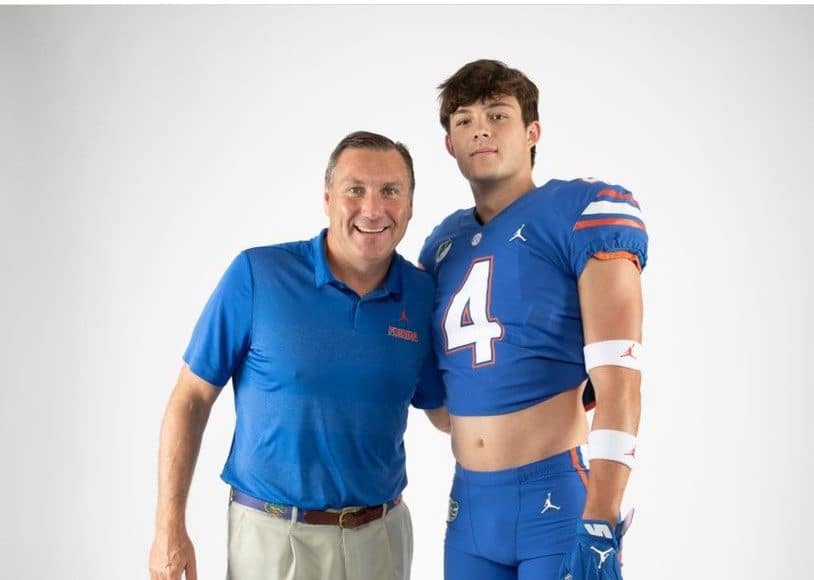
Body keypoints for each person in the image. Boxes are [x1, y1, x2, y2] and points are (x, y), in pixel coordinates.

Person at [149, 131, 448, 580]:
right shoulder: (258, 275)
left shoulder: (423, 296)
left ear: (409, 206)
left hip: (381, 538)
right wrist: (169, 527)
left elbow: (446, 414)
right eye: (355, 190)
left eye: (390, 191)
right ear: (327, 198)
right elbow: (191, 397)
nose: (373, 208)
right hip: (272, 539)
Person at [418, 60, 648, 580]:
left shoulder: (581, 211)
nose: (480, 128)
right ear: (449, 145)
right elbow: (443, 406)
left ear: (532, 132)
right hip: (469, 509)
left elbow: (620, 384)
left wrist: (602, 519)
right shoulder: (441, 247)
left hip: (557, 503)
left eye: (498, 115)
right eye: (464, 120)